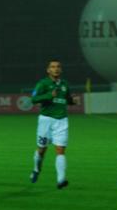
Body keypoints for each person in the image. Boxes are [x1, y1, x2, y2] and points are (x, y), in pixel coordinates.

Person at [29, 59, 79, 189]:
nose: (55, 69)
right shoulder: (43, 84)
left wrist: (73, 101)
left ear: (60, 70)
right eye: (53, 67)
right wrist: (48, 95)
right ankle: (36, 169)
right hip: (46, 120)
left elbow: (67, 99)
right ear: (48, 70)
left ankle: (61, 179)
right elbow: (33, 99)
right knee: (42, 150)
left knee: (60, 150)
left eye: (58, 67)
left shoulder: (65, 84)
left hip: (62, 120)